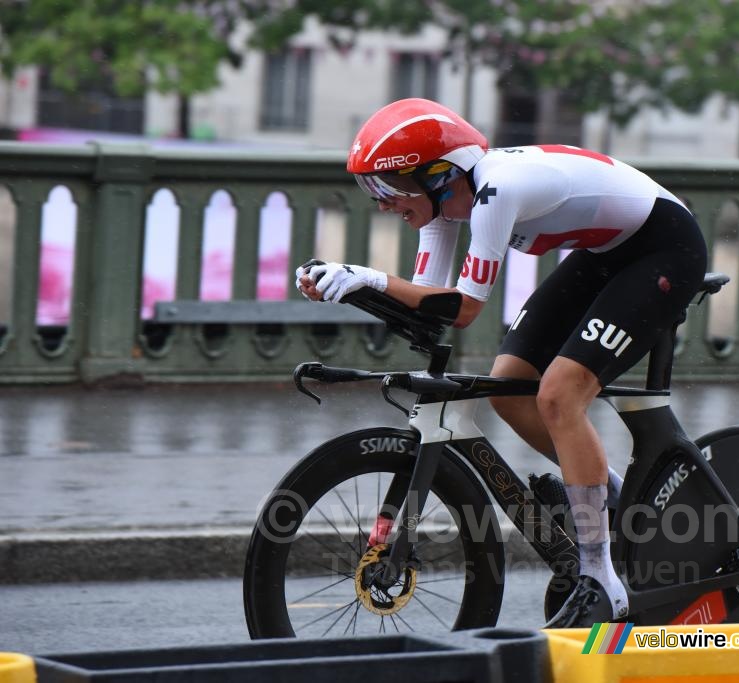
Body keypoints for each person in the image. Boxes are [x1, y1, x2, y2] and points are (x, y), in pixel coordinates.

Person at [296, 98, 708, 628]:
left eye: (388, 187)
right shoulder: (445, 207)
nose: (381, 203)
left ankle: (601, 580)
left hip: (665, 249)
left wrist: (369, 277)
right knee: (509, 387)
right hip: (607, 255)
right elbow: (429, 306)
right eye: (371, 188)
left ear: (438, 175)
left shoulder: (495, 190)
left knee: (559, 394)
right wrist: (350, 287)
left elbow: (464, 309)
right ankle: (608, 497)